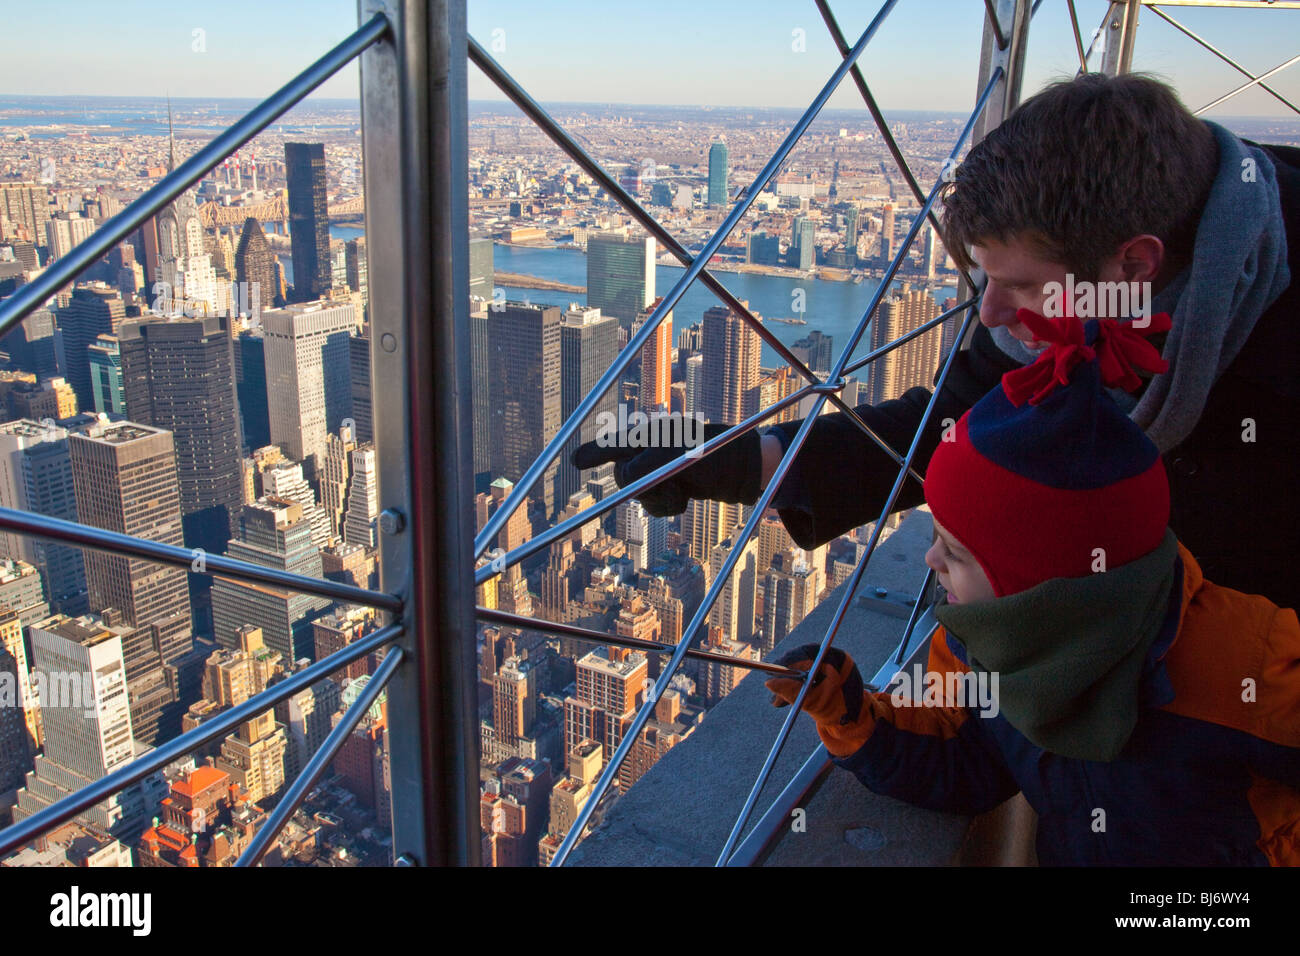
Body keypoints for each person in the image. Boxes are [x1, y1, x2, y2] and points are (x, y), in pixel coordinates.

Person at [571, 72, 1299, 609]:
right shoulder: (1058, 308)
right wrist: (725, 458)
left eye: (1022, 286)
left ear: (1133, 265)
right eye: (986, 280)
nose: (991, 315)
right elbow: (944, 430)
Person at [764, 311, 1300, 866]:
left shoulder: (1245, 663)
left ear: (1042, 580)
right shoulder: (980, 647)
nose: (930, 559)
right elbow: (965, 761)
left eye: (957, 550)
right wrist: (854, 717)